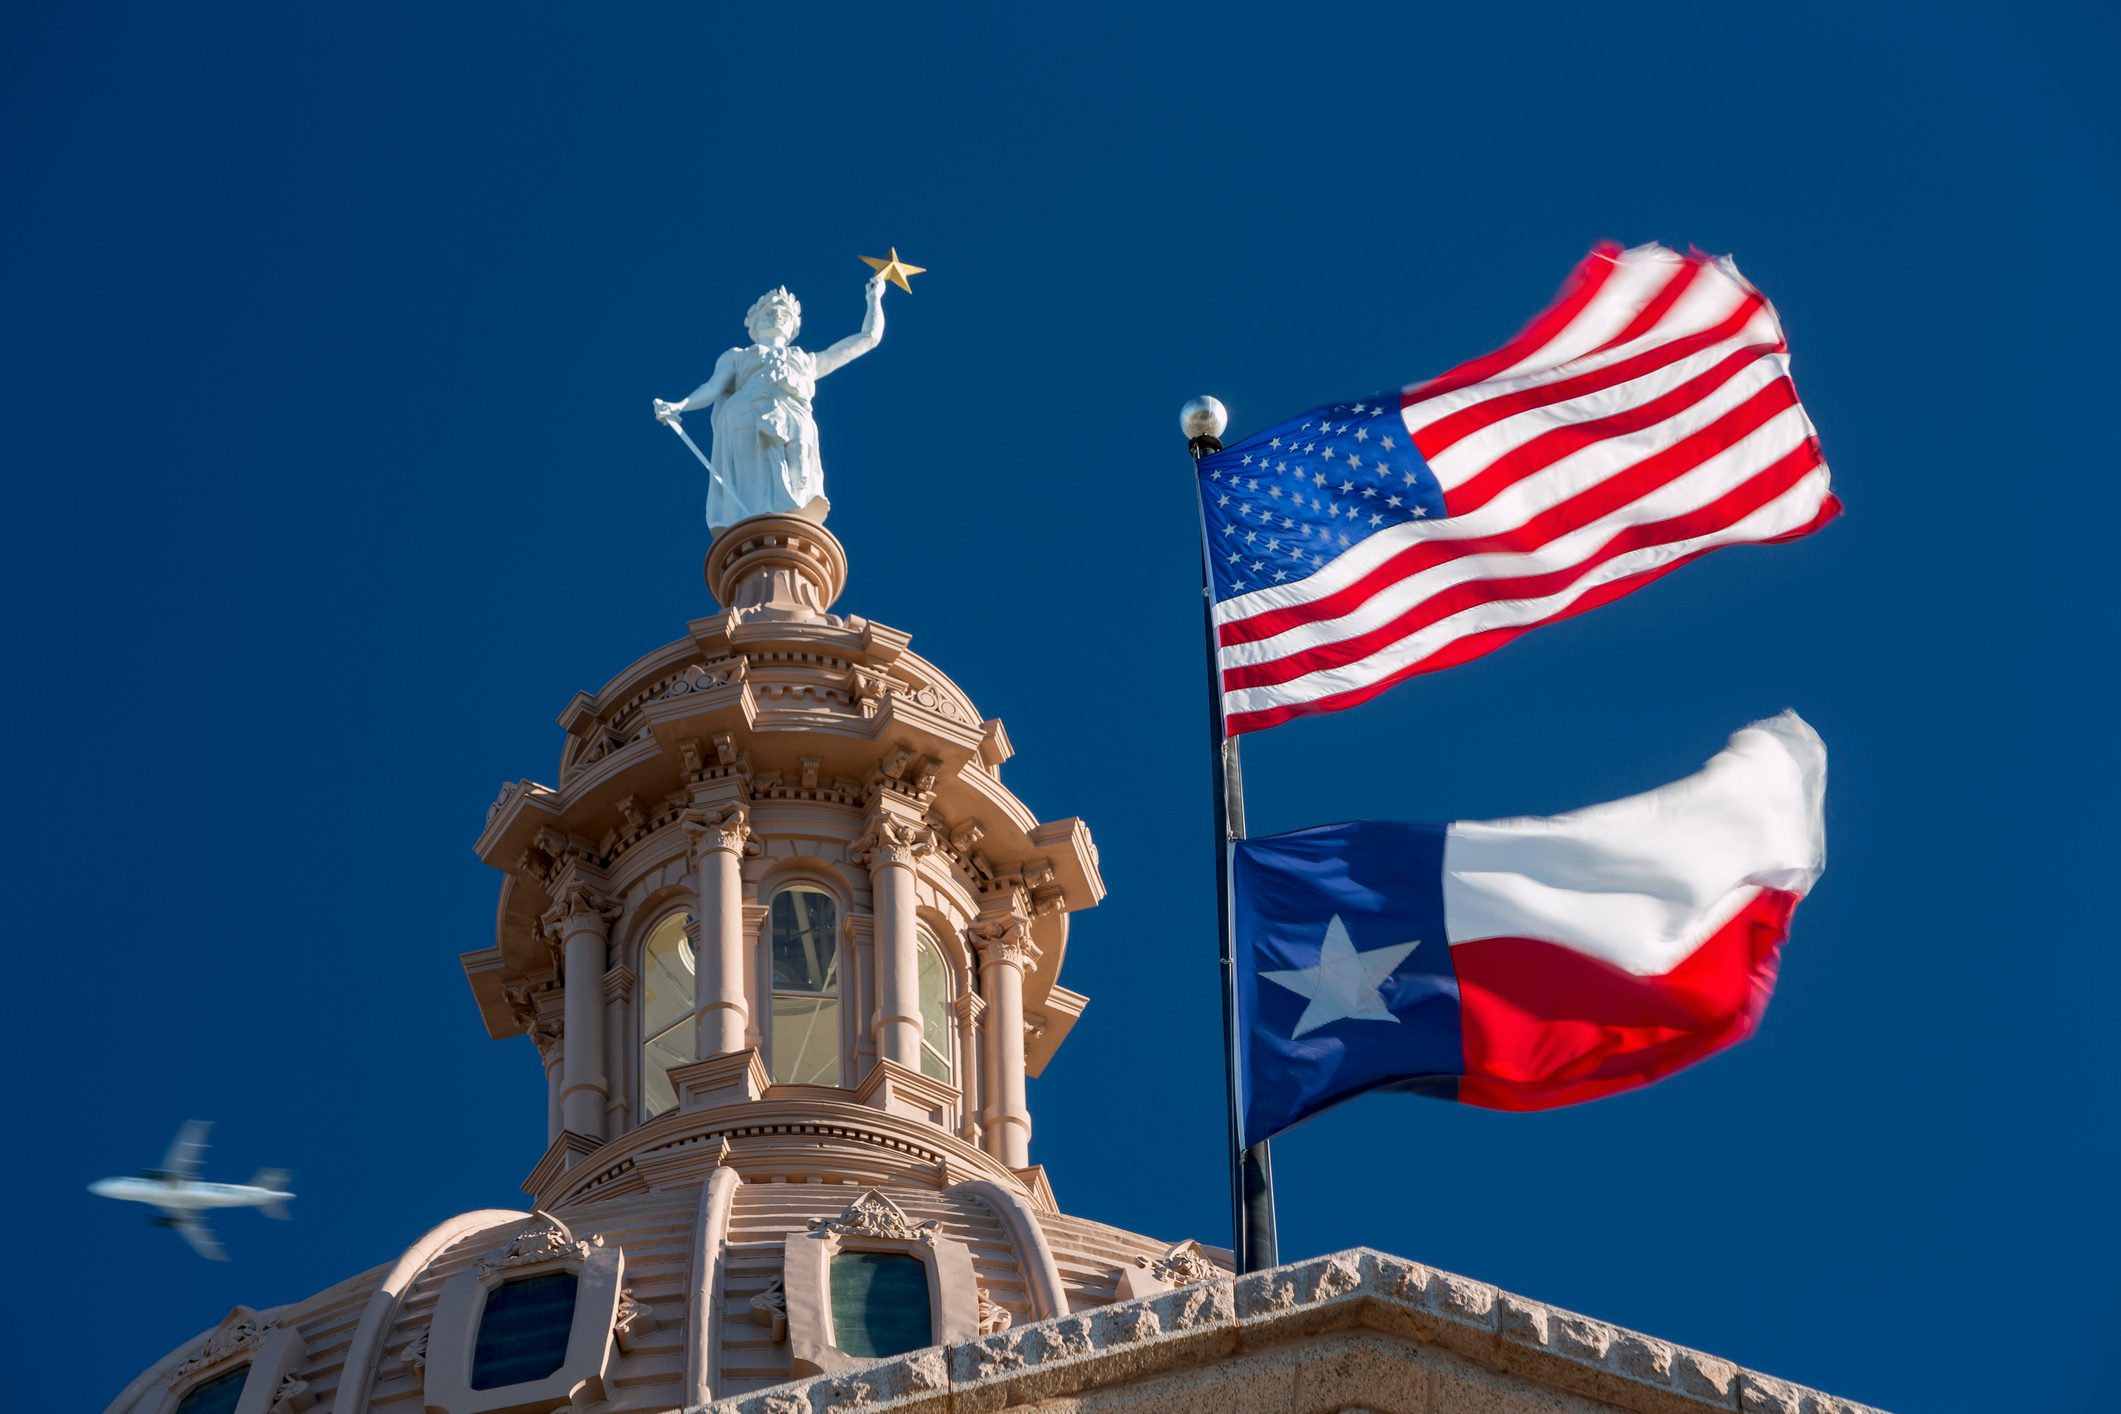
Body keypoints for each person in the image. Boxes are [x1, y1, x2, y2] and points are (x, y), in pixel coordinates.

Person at [654, 276, 886, 533]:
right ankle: (754, 527)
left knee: (800, 473)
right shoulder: (738, 356)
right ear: (753, 323)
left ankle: (790, 521)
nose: (777, 316)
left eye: (784, 314)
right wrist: (680, 405)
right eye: (769, 312)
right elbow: (711, 388)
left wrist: (874, 299)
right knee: (753, 480)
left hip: (794, 414)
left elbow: (868, 338)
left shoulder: (805, 360)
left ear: (793, 327)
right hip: (746, 412)